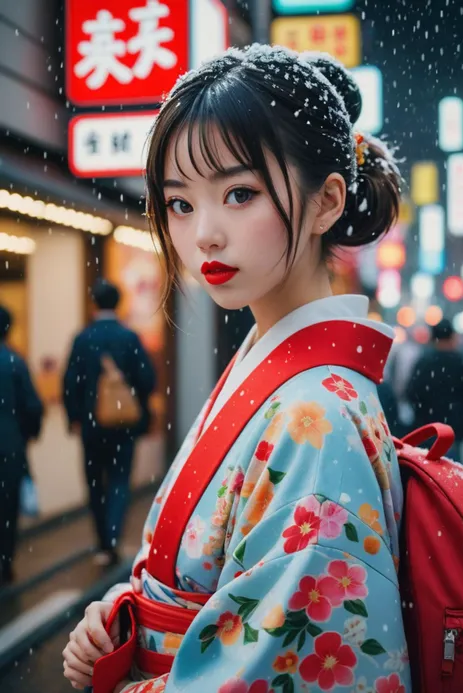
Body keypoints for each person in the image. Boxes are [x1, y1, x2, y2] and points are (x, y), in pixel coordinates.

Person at [63, 46, 410, 693]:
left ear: (328, 200)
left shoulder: (319, 415)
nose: (205, 235)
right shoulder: (278, 368)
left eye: (239, 192)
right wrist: (122, 617)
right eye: (181, 203)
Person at [63, 279, 156, 567]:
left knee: (95, 482)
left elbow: (70, 382)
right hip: (123, 425)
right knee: (119, 480)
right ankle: (113, 538)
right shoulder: (129, 337)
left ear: (94, 302)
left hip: (92, 425)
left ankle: (102, 541)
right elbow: (147, 379)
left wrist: (75, 417)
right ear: (118, 303)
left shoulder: (83, 338)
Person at [0, 305, 43, 585]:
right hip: (8, 446)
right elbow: (32, 406)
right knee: (6, 507)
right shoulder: (14, 362)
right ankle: (4, 565)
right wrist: (27, 434)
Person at [407, 318, 463, 463]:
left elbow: (412, 393)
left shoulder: (424, 361)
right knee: (454, 471)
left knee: (429, 469)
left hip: (428, 428)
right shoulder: (462, 362)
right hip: (454, 429)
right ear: (451, 337)